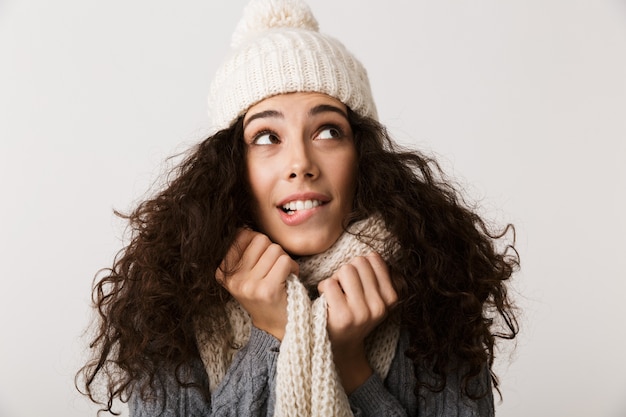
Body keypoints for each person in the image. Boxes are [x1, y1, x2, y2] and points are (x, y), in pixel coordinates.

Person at [77, 0, 519, 416]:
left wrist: (348, 364)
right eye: (267, 137)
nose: (301, 164)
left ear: (364, 159)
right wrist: (272, 336)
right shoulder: (167, 310)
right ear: (231, 168)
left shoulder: (440, 293)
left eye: (327, 131)